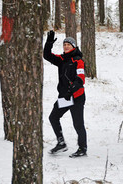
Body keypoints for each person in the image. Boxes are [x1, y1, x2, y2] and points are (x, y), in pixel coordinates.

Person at [43, 30, 87, 158]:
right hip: (64, 97)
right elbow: (47, 56)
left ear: (74, 47)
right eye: (64, 45)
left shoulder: (78, 60)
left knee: (78, 124)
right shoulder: (62, 59)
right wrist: (49, 43)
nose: (66, 46)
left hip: (77, 96)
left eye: (69, 44)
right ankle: (61, 143)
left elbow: (80, 79)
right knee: (53, 117)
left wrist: (70, 91)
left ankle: (82, 148)